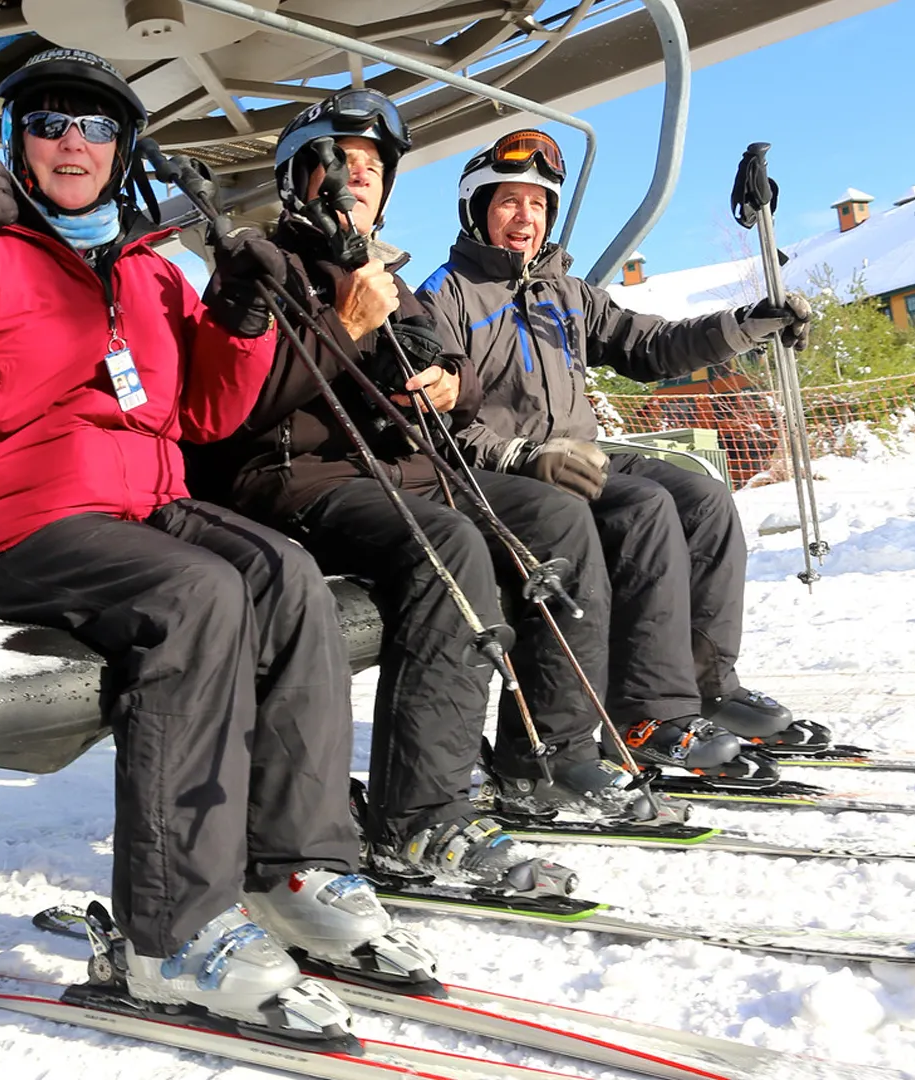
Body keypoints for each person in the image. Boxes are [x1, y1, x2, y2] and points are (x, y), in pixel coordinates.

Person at [0, 49, 423, 1031]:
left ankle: (293, 867)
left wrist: (237, 316)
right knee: (198, 596)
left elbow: (201, 411)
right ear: (19, 141)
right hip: (15, 524)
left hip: (138, 509)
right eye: (51, 123)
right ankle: (172, 933)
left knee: (283, 574)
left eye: (98, 126)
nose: (75, 142)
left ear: (125, 148)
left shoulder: (149, 272)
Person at [193, 91, 681, 893]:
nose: (358, 181)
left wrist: (449, 383)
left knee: (557, 519)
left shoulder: (387, 273)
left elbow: (448, 371)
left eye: (373, 169)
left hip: (408, 475)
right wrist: (345, 324)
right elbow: (235, 408)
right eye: (340, 164)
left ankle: (549, 755)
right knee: (448, 549)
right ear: (297, 177)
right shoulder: (259, 266)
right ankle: (418, 816)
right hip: (299, 481)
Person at [418, 129, 831, 761]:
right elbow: (436, 420)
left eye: (538, 203)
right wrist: (520, 455)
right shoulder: (444, 297)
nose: (525, 216)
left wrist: (746, 326)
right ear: (478, 210)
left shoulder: (566, 293)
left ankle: (706, 686)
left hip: (579, 452)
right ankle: (645, 714)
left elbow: (652, 346)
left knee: (704, 497)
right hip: (509, 469)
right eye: (508, 201)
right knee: (643, 509)